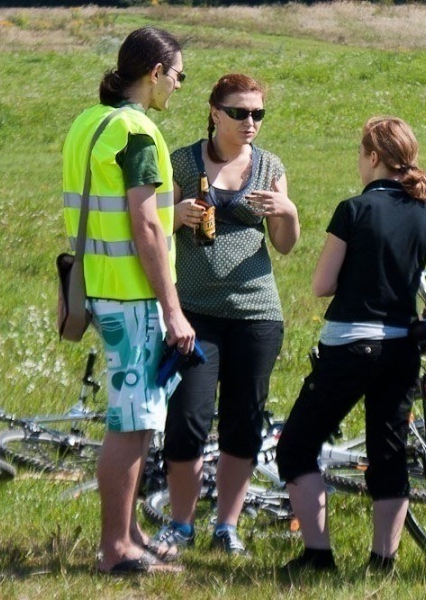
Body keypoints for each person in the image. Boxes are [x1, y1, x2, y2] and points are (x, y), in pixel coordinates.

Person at [276, 116, 426, 573]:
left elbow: (322, 285)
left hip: (349, 345)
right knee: (387, 453)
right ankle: (381, 562)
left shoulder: (354, 210)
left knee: (296, 447)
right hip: (402, 347)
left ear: (372, 158)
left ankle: (318, 555)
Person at [62, 26, 196, 575]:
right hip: (133, 294)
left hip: (99, 288)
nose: (180, 87)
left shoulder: (89, 123)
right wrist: (172, 308)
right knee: (131, 423)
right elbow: (145, 226)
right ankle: (116, 548)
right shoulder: (137, 132)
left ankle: (131, 533)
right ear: (155, 73)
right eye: (179, 76)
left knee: (136, 417)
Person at [152, 73, 300, 558]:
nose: (250, 122)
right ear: (215, 112)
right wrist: (178, 215)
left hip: (257, 314)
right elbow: (154, 227)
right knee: (188, 418)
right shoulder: (181, 160)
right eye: (239, 112)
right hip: (194, 314)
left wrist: (286, 211)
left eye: (258, 113)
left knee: (244, 420)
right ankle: (180, 524)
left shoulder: (270, 165)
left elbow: (285, 246)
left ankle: (227, 527)